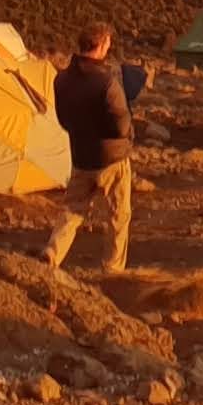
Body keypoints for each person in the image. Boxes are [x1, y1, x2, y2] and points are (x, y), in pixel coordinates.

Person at [44, 21, 134, 274]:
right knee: (118, 216)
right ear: (102, 45)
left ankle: (52, 253)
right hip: (112, 159)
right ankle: (113, 270)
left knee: (72, 210)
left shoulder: (61, 80)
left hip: (82, 156)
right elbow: (120, 125)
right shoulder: (106, 82)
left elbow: (63, 119)